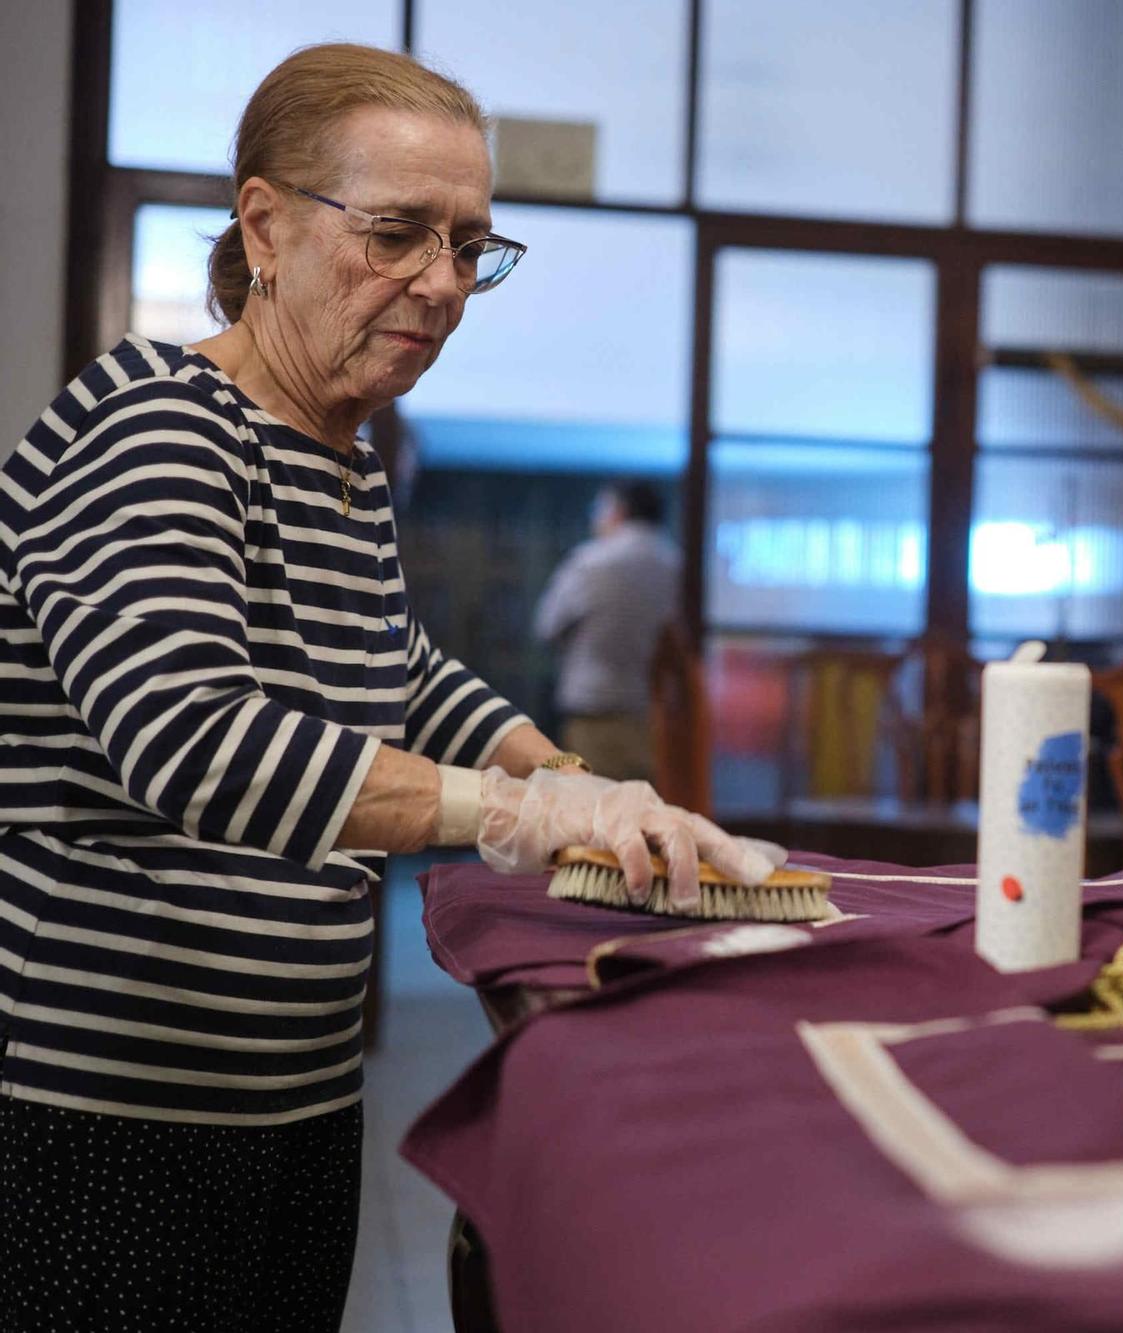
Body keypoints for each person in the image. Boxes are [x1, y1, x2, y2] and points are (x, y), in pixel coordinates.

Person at [0, 44, 772, 1332]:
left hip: (288, 1090)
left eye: (471, 246)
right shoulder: (158, 424)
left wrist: (579, 785)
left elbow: (393, 668)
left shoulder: (337, 461)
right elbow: (197, 740)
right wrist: (516, 818)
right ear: (265, 226)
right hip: (111, 1103)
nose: (441, 283)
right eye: (400, 233)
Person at [534, 478, 685, 781]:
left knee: (588, 808)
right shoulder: (675, 565)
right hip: (647, 715)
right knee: (640, 810)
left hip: (592, 710)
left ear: (618, 510)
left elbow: (546, 626)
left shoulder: (591, 561)